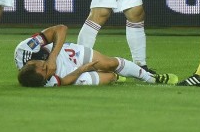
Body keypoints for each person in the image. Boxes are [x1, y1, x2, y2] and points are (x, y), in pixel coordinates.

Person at [15, 25, 175, 87]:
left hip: (66, 54)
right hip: (68, 73)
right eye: (47, 74)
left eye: (46, 70)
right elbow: (63, 81)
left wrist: (52, 58)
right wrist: (82, 70)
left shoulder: (25, 50)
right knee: (109, 78)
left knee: (108, 64)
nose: (50, 71)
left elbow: (61, 29)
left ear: (36, 64)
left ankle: (151, 78)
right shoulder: (42, 81)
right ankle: (117, 78)